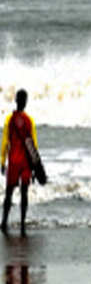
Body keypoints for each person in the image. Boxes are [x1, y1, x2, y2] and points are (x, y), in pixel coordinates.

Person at [1, 90, 38, 237]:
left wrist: (2, 161)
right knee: (24, 193)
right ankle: (22, 223)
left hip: (14, 161)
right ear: (26, 102)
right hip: (26, 163)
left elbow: (5, 142)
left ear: (16, 100)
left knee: (9, 193)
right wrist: (35, 167)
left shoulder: (9, 120)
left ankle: (4, 221)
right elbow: (33, 145)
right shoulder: (30, 121)